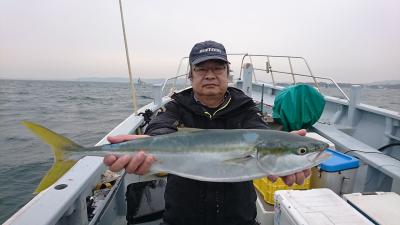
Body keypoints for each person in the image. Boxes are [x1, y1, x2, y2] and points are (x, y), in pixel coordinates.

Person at [104, 40, 310, 225]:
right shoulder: (176, 107)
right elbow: (160, 127)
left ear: (227, 74)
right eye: (201, 69)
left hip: (239, 218)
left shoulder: (246, 108)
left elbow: (259, 133)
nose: (210, 75)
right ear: (191, 75)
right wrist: (151, 144)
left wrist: (285, 151)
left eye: (218, 69)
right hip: (181, 217)